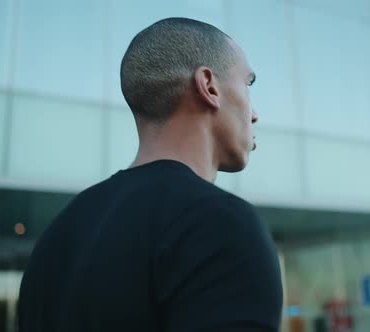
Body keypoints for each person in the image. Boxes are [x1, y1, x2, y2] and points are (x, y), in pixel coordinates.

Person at [18, 17, 283, 331]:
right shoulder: (221, 224)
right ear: (209, 86)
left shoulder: (58, 235)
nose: (255, 114)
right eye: (248, 85)